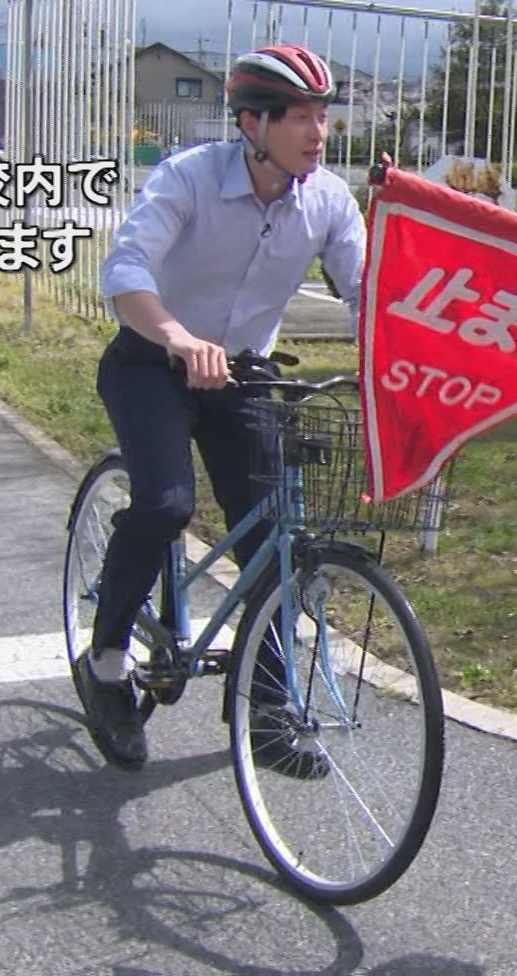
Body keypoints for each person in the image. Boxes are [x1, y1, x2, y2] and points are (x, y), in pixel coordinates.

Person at [80, 42, 365, 773]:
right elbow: (127, 270)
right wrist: (177, 335)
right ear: (251, 122)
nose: (317, 132)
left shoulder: (328, 198)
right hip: (153, 363)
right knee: (167, 505)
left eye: (322, 117)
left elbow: (366, 291)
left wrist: (402, 353)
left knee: (275, 540)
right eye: (298, 116)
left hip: (244, 374)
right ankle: (107, 661)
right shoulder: (190, 178)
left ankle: (269, 710)